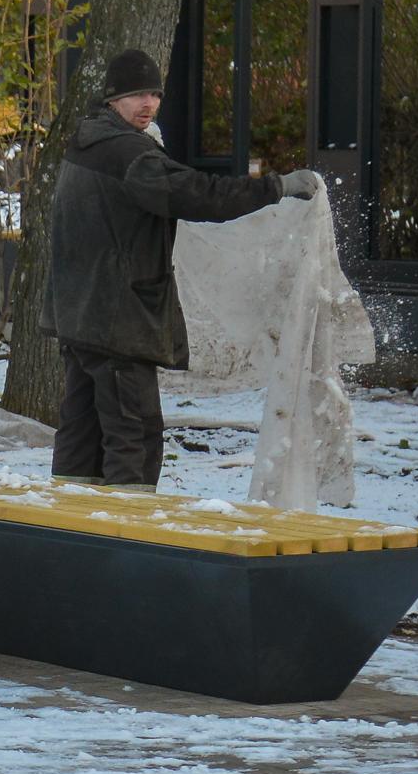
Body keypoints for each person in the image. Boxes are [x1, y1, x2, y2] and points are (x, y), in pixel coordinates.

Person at [41, 47, 319, 489]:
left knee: (83, 429)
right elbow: (199, 194)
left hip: (79, 315)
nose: (148, 104)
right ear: (113, 100)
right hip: (118, 320)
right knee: (135, 431)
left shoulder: (86, 141)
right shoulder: (131, 155)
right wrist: (277, 186)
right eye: (136, 95)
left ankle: (75, 526)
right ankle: (132, 534)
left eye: (154, 94)